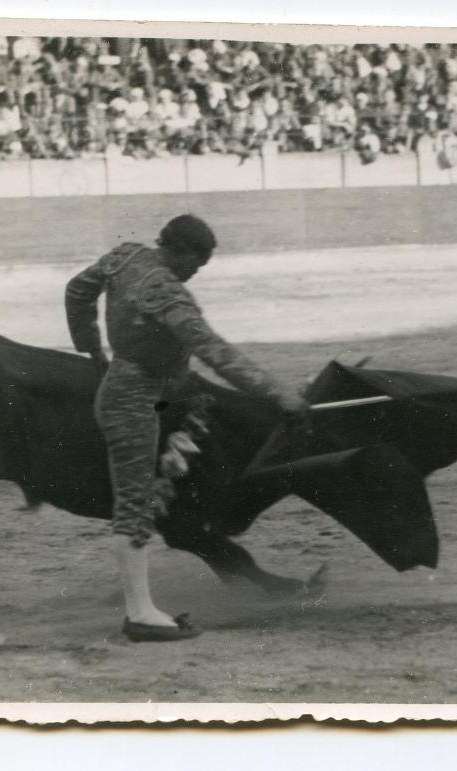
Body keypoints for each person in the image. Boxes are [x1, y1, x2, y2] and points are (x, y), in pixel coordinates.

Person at [65, 215, 308, 642]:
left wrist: (91, 346)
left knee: (139, 498)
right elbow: (214, 351)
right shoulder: (168, 295)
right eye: (196, 262)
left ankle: (146, 605)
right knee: (135, 503)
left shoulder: (126, 257)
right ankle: (140, 615)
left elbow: (78, 290)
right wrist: (277, 394)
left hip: (134, 388)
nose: (195, 271)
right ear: (179, 250)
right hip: (135, 399)